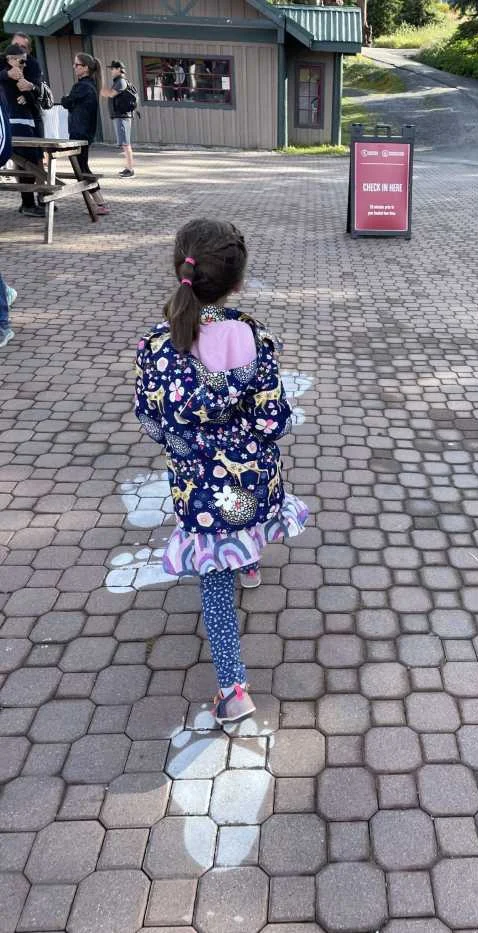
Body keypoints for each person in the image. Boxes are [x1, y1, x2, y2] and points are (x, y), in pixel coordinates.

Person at [134, 219, 309, 724]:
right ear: (238, 281)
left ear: (181, 271)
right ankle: (248, 564)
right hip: (250, 478)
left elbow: (152, 421)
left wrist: (188, 443)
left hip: (201, 492)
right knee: (247, 514)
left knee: (214, 585)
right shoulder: (251, 337)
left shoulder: (159, 344)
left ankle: (233, 690)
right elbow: (274, 422)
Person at [60, 53, 109, 216]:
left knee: (81, 168)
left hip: (80, 133)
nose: (74, 67)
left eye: (77, 65)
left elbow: (67, 102)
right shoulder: (91, 85)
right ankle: (97, 202)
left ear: (86, 68)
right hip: (84, 133)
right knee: (81, 167)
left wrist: (66, 98)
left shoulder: (82, 86)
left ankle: (100, 203)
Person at [0, 42, 45, 216]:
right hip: (16, 124)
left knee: (27, 164)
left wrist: (28, 92)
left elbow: (36, 99)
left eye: (25, 61)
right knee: (27, 165)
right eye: (21, 61)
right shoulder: (5, 74)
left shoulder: (24, 75)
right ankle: (28, 204)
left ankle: (29, 202)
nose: (24, 65)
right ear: (10, 59)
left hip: (28, 122)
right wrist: (7, 74)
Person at [100, 60, 135, 177]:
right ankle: (128, 167)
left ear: (119, 69)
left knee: (126, 144)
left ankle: (130, 170)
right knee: (125, 143)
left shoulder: (121, 82)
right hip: (121, 116)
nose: (111, 71)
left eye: (113, 68)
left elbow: (111, 94)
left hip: (122, 116)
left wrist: (99, 88)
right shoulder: (119, 81)